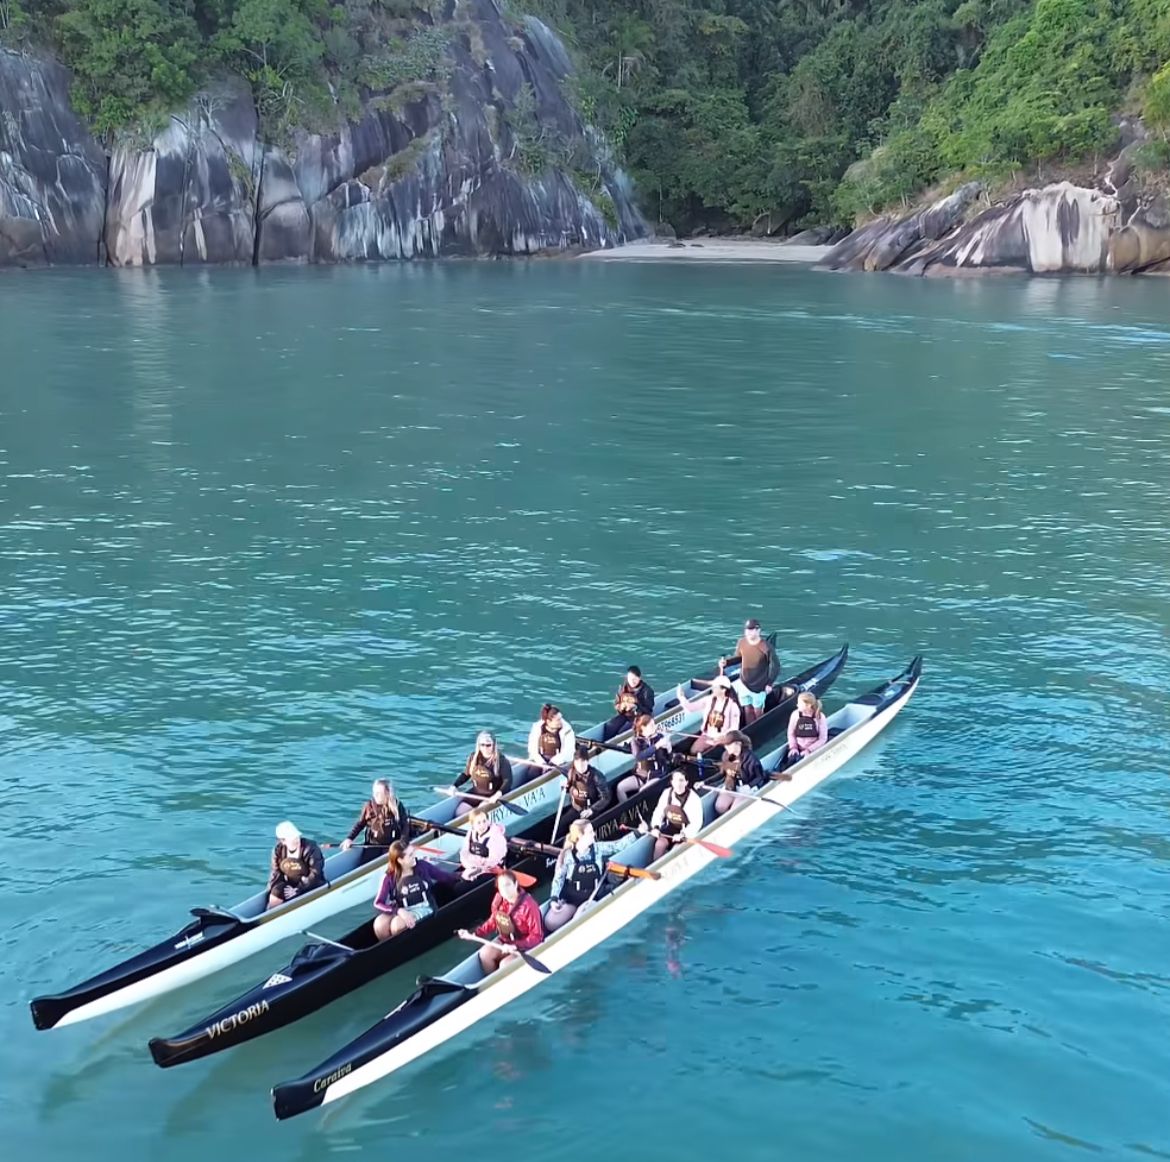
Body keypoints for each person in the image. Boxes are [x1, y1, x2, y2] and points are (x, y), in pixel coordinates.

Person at [545, 819, 640, 931]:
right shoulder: (567, 855)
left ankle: (575, 921)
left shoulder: (598, 848)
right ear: (580, 836)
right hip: (572, 899)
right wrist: (554, 899)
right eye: (590, 832)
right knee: (550, 922)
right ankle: (573, 914)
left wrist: (638, 832)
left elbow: (618, 845)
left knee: (579, 917)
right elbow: (558, 878)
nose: (594, 834)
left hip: (593, 896)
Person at [457, 868, 544, 974]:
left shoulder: (529, 905)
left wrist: (516, 946)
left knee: (505, 965)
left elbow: (537, 937)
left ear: (516, 884)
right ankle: (490, 978)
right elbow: (493, 920)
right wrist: (475, 934)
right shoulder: (498, 900)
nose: (505, 890)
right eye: (501, 887)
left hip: (525, 945)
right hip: (506, 941)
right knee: (484, 954)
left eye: (508, 885)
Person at [372, 841, 458, 940]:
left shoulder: (422, 866)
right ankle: (388, 951)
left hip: (424, 907)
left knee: (397, 925)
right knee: (379, 924)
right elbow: (378, 903)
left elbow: (444, 876)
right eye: (410, 855)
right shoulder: (389, 877)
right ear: (400, 860)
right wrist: (399, 911)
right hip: (402, 909)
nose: (414, 856)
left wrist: (461, 875)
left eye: (413, 852)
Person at [722, 618, 778, 725]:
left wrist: (769, 683)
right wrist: (727, 663)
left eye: (752, 630)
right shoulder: (741, 642)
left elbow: (775, 666)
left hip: (759, 685)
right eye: (748, 630)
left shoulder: (766, 647)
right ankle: (750, 729)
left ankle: (760, 727)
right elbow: (738, 657)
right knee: (747, 708)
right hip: (744, 683)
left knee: (758, 710)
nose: (750, 632)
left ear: (758, 631)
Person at [341, 778, 410, 856]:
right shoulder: (369, 807)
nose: (375, 795)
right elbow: (360, 824)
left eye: (378, 793)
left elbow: (405, 825)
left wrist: (403, 843)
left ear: (387, 793)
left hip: (392, 845)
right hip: (373, 844)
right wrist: (349, 839)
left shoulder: (397, 806)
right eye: (374, 792)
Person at [676, 673, 742, 754]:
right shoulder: (708, 700)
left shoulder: (733, 706)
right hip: (707, 735)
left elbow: (734, 728)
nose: (712, 688)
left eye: (715, 687)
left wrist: (723, 737)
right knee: (693, 751)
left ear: (723, 690)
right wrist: (681, 697)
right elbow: (691, 708)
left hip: (722, 738)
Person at [266, 821, 326, 910]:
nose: (296, 839)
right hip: (291, 883)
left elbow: (315, 874)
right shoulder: (278, 851)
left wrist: (297, 889)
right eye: (292, 838)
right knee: (276, 891)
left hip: (311, 884)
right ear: (283, 841)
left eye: (297, 836)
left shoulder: (311, 848)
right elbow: (276, 874)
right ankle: (269, 912)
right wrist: (270, 891)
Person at [649, 769, 704, 861]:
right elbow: (658, 812)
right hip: (671, 828)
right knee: (659, 844)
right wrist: (655, 827)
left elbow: (696, 823)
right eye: (675, 781)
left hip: (687, 832)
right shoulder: (666, 793)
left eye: (681, 780)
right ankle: (654, 866)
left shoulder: (694, 799)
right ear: (671, 782)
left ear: (686, 782)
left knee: (675, 850)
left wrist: (683, 834)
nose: (678, 784)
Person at [616, 713, 673, 802]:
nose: (655, 727)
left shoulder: (659, 738)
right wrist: (656, 746)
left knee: (642, 792)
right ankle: (626, 811)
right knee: (620, 787)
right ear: (643, 728)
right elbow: (639, 757)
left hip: (657, 775)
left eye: (654, 724)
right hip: (641, 775)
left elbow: (669, 759)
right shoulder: (635, 741)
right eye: (651, 726)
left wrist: (669, 748)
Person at [452, 731, 513, 811]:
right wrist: (454, 786)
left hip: (493, 794)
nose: (485, 748)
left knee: (480, 810)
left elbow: (507, 781)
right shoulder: (474, 757)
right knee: (459, 812)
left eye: (488, 745)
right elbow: (466, 774)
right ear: (479, 745)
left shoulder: (501, 760)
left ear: (493, 745)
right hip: (476, 793)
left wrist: (497, 795)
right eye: (482, 745)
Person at [560, 741, 613, 829]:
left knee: (585, 827)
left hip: (592, 810)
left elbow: (606, 798)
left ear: (587, 762)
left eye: (583, 763)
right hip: (577, 808)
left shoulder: (597, 776)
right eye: (577, 763)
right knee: (561, 824)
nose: (580, 767)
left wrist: (592, 810)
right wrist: (564, 788)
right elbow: (569, 788)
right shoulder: (571, 772)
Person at [713, 731, 767, 815]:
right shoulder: (725, 756)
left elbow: (760, 777)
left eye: (729, 745)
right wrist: (705, 782)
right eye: (726, 745)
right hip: (733, 786)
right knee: (719, 807)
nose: (727, 748)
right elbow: (722, 773)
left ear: (738, 744)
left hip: (747, 787)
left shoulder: (751, 758)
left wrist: (749, 786)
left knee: (734, 810)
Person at [602, 665, 656, 740]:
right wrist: (621, 707)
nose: (632, 681)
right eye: (630, 678)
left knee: (622, 732)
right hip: (625, 715)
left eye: (635, 679)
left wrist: (635, 706)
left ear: (639, 678)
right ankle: (604, 745)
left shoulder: (647, 691)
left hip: (640, 718)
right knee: (609, 726)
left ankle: (617, 744)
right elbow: (616, 704)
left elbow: (649, 710)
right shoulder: (622, 688)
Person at [459, 808, 508, 880]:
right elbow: (464, 853)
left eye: (484, 821)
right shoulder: (470, 833)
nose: (482, 825)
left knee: (460, 887)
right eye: (478, 823)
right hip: (473, 866)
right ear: (472, 824)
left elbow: (493, 861)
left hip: (491, 870)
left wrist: (476, 864)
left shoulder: (495, 837)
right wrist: (470, 865)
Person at [786, 692, 829, 765]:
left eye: (799, 703)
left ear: (808, 705)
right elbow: (791, 734)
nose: (797, 705)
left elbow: (823, 739)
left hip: (813, 750)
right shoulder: (795, 715)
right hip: (797, 748)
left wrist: (809, 750)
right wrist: (793, 747)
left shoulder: (820, 717)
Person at [527, 703, 576, 768]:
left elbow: (568, 752)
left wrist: (553, 763)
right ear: (548, 721)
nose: (561, 721)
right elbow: (532, 749)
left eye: (561, 718)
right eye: (558, 720)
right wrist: (542, 762)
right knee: (532, 774)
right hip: (541, 761)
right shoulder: (537, 728)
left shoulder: (567, 731)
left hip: (559, 762)